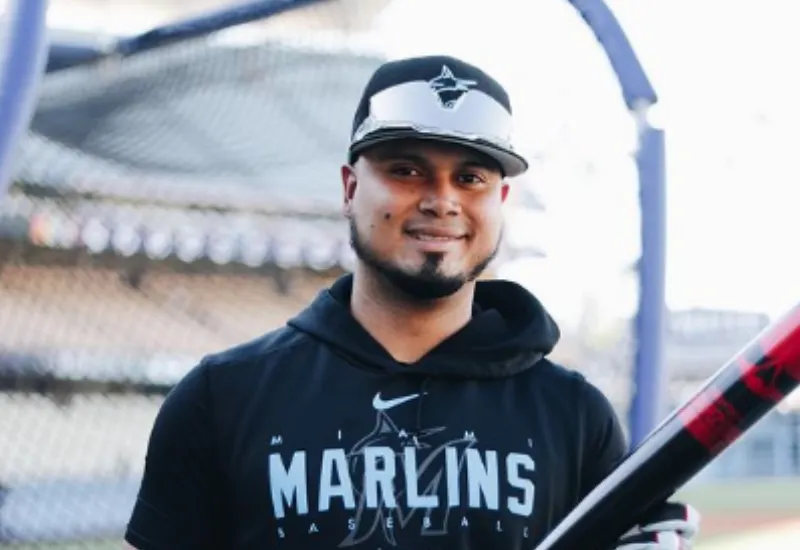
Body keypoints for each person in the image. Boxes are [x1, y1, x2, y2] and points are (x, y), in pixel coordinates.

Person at [124, 55, 700, 549]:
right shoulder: (221, 398)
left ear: (500, 199)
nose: (441, 200)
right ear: (350, 188)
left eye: (470, 178)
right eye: (406, 170)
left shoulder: (574, 416)